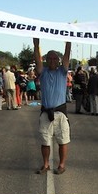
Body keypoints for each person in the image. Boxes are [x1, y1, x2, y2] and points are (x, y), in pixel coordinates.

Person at [34, 37, 71, 175]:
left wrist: (69, 40)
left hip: (60, 113)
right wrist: (36, 45)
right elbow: (37, 60)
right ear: (46, 60)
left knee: (63, 140)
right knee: (45, 140)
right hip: (46, 113)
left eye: (55, 58)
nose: (52, 61)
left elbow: (67, 56)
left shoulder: (62, 72)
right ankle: (46, 164)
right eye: (49, 58)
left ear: (58, 60)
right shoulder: (43, 73)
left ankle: (61, 165)